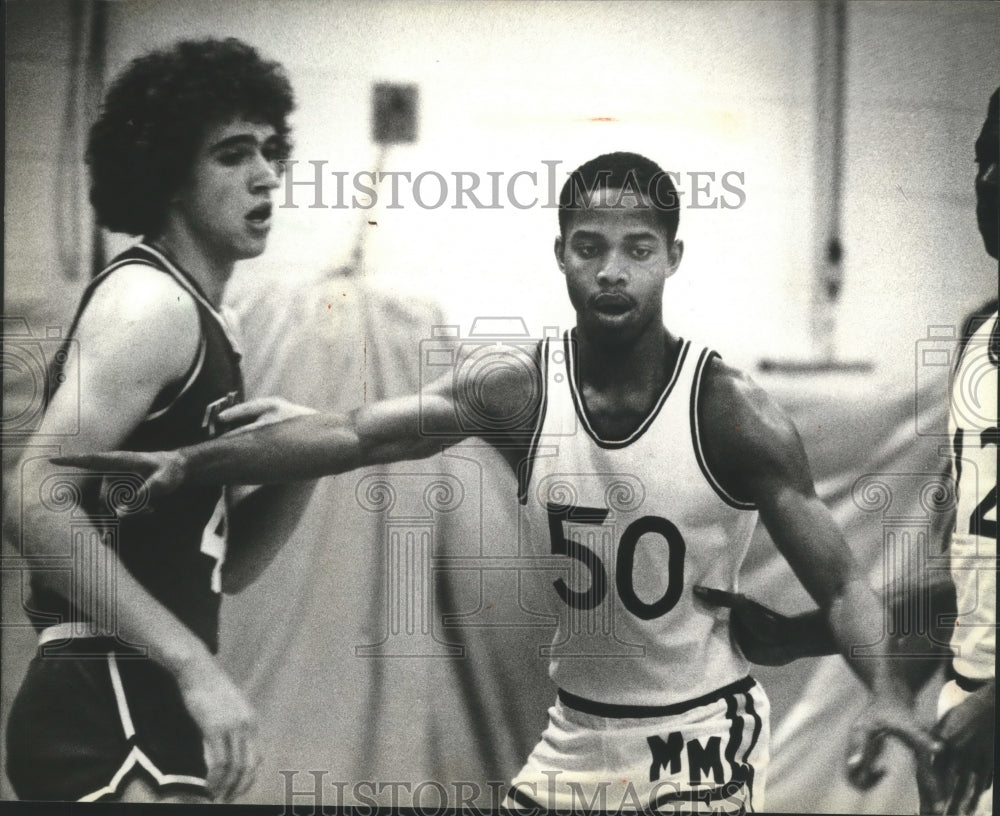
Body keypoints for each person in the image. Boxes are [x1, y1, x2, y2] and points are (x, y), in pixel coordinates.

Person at [54, 152, 940, 812]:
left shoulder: (734, 412)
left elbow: (844, 583)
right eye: (590, 247)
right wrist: (191, 462)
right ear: (560, 254)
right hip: (577, 732)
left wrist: (891, 699)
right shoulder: (518, 388)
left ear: (674, 256)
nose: (612, 270)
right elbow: (354, 434)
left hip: (697, 735)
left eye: (637, 248)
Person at [2, 37, 310, 803]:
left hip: (146, 693)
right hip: (106, 692)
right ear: (169, 171)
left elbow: (227, 566)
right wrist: (194, 667)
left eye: (271, 150)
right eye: (233, 154)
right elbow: (34, 500)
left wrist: (298, 462)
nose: (266, 174)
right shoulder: (153, 305)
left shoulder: (212, 323)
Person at [696, 89, 998, 816]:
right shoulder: (979, 340)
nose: (991, 181)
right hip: (966, 728)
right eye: (985, 157)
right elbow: (969, 590)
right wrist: (811, 639)